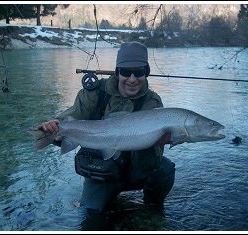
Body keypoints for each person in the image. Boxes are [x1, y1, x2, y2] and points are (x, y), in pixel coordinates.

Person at [38, 41, 176, 224]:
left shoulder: (152, 102)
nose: (132, 79)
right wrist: (54, 129)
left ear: (146, 73)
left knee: (164, 169)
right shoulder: (95, 93)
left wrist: (158, 142)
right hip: (100, 172)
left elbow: (152, 159)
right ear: (118, 72)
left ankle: (152, 211)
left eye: (139, 72)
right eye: (126, 72)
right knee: (91, 217)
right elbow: (70, 119)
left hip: (135, 169)